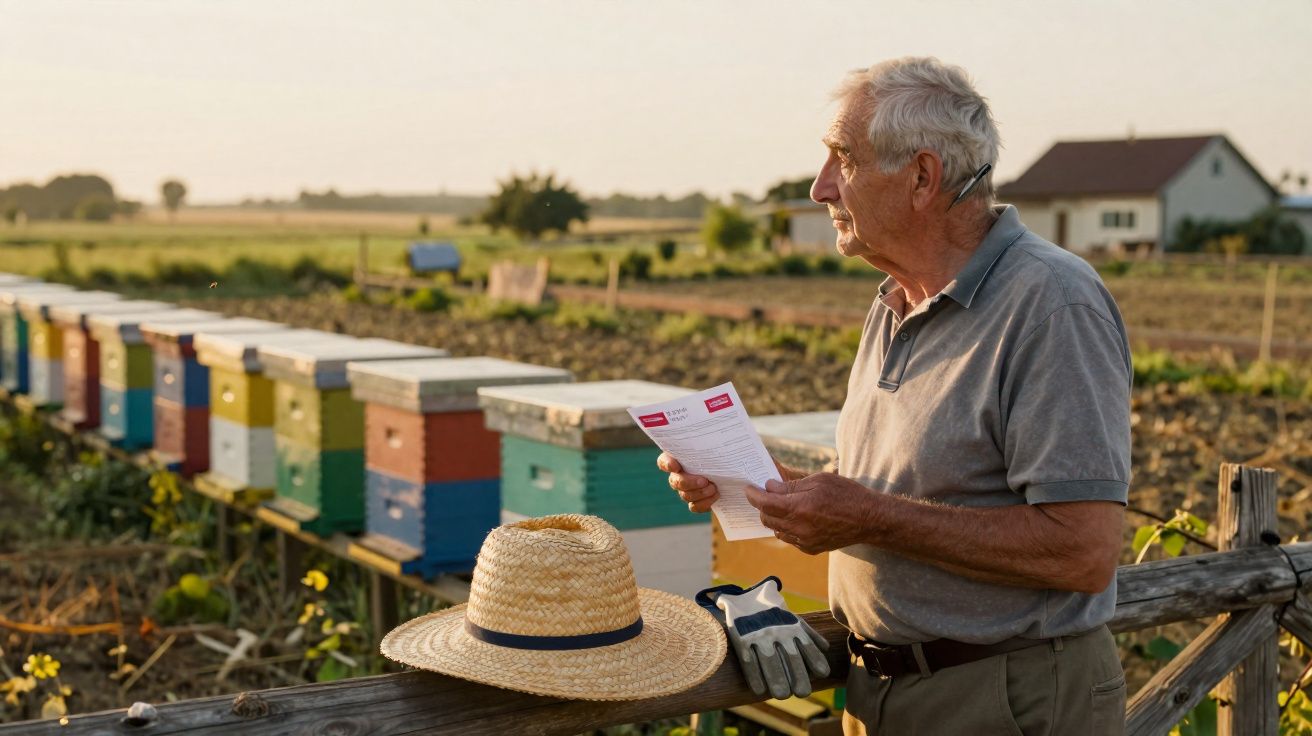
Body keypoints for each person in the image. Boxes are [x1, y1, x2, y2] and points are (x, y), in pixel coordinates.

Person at [659, 57, 1131, 735]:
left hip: (1004, 696)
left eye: (841, 159)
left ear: (921, 177)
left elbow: (1083, 551)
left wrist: (869, 516)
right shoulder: (893, 301)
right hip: (877, 691)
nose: (821, 187)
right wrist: (763, 487)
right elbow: (901, 499)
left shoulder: (1053, 303)